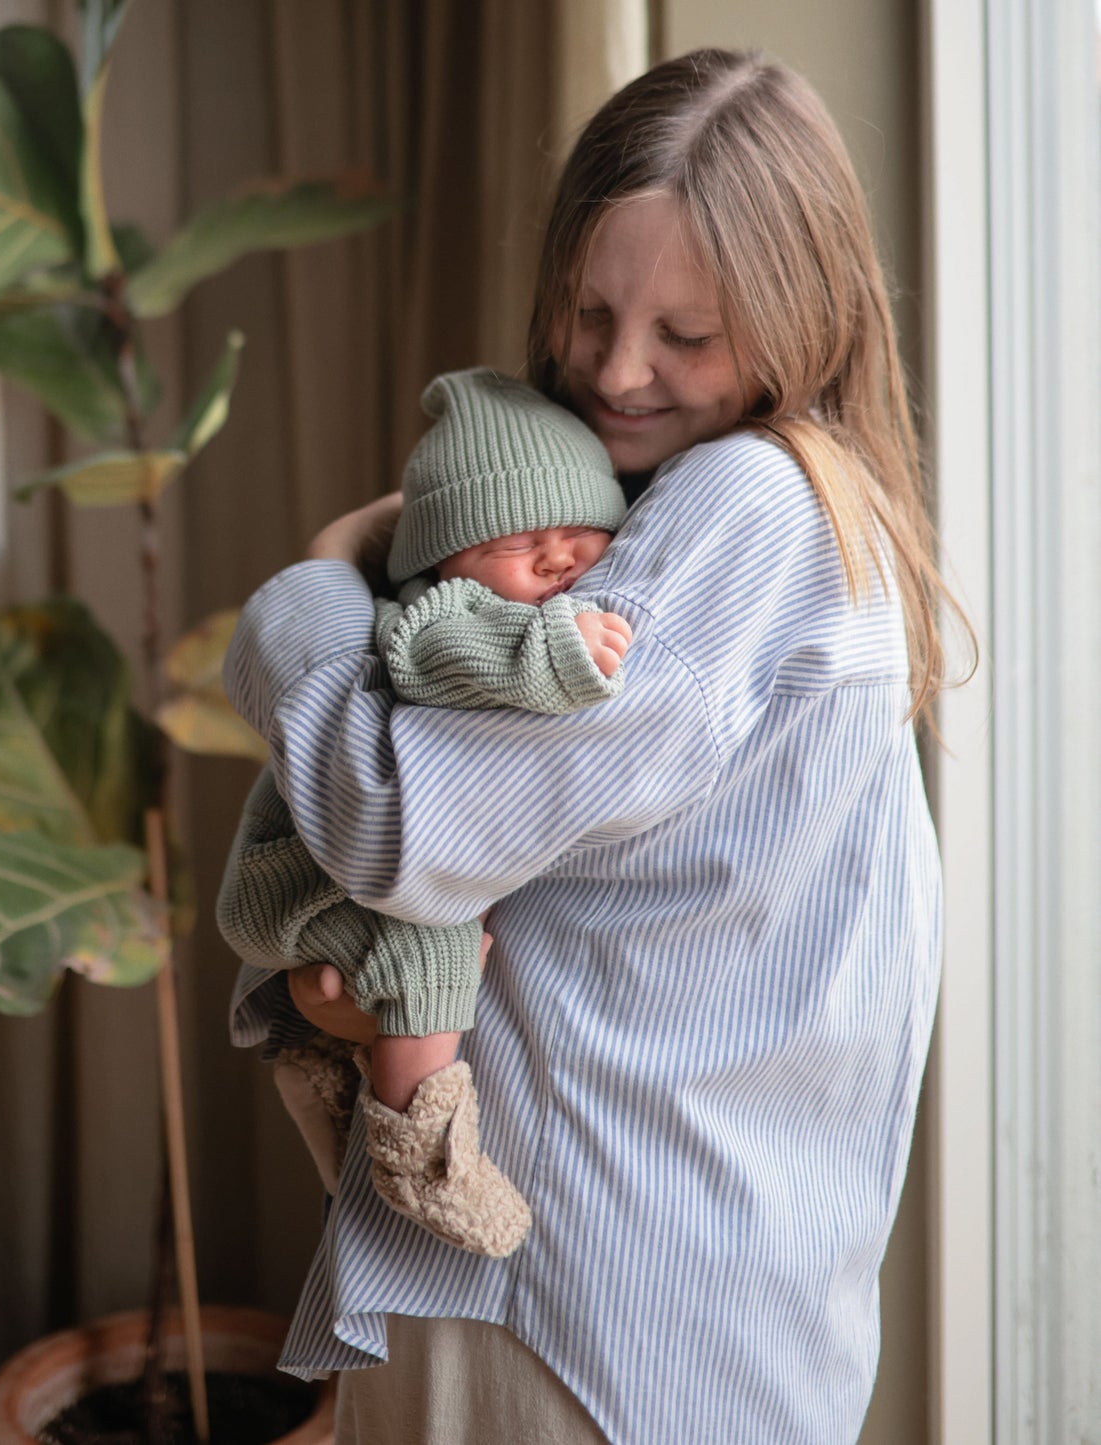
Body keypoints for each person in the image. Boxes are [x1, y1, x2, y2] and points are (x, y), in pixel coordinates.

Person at [226, 47, 969, 1444]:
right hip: (677, 1295)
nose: (619, 372)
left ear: (801, 319)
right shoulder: (822, 512)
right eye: (589, 312)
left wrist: (313, 588)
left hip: (583, 1298)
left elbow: (398, 822)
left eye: (686, 335)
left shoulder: (745, 507)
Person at [217, 366, 632, 1259]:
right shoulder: (435, 616)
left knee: (415, 946)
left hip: (335, 882)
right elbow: (438, 658)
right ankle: (421, 1154)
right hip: (299, 877)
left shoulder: (508, 588)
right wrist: (553, 647)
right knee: (433, 937)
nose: (558, 557)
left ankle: (345, 1088)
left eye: (581, 533)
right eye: (518, 540)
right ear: (444, 559)